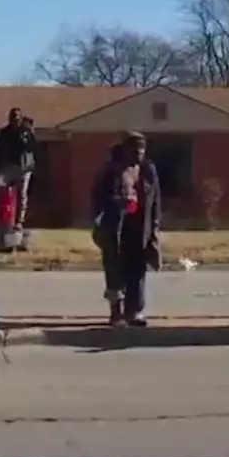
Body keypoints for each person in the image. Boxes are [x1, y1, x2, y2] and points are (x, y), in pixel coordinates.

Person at [91, 132, 162, 327]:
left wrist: (154, 231)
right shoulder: (111, 170)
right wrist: (121, 202)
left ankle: (134, 311)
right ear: (125, 150)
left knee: (137, 269)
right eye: (135, 148)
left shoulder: (148, 170)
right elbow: (98, 198)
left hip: (140, 227)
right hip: (114, 227)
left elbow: (155, 202)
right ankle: (116, 313)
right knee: (114, 268)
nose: (139, 153)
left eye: (142, 149)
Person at [0, 108, 39, 231]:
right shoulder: (5, 132)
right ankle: (3, 217)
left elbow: (33, 147)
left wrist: (29, 132)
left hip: (25, 167)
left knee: (22, 194)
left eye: (17, 117)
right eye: (13, 116)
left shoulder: (26, 131)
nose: (15, 119)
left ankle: (19, 221)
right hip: (9, 165)